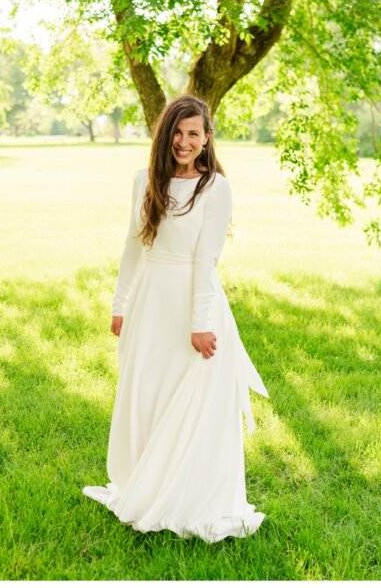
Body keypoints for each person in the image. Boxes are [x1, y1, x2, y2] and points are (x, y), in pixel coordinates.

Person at [83, 95, 268, 542]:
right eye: (177, 133)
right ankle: (143, 483)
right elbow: (133, 245)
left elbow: (206, 261)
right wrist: (119, 304)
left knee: (191, 402)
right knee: (147, 393)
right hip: (150, 301)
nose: (184, 142)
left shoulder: (215, 188)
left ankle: (188, 493)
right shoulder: (144, 180)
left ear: (207, 139)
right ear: (164, 135)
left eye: (193, 134)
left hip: (193, 303)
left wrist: (200, 323)